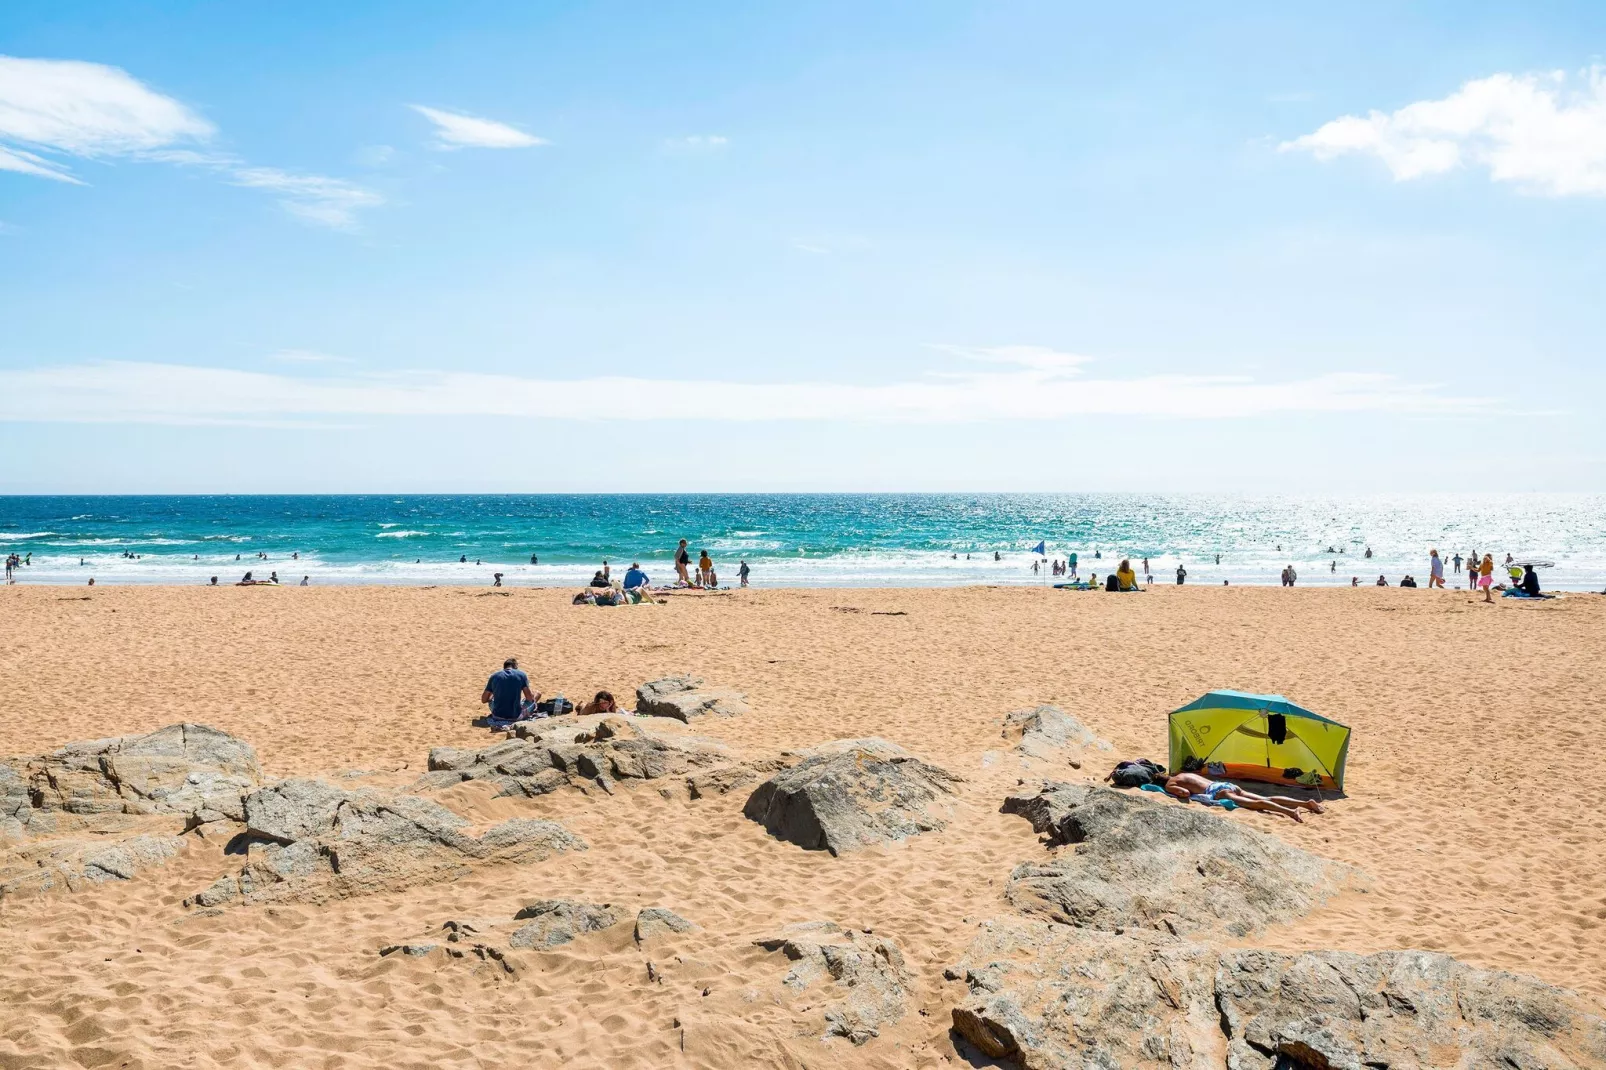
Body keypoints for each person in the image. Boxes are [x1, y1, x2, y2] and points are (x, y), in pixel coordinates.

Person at [1161, 770, 1324, 823]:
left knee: (1257, 803)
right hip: (1227, 785)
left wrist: (1171, 792)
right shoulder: (1182, 773)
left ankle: (1290, 812)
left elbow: (1186, 793)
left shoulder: (1171, 783)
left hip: (1219, 792)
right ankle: (1306, 803)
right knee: (1266, 798)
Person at [481, 657, 537, 724]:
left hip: (497, 716)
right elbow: (529, 698)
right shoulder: (521, 675)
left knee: (491, 700)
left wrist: (493, 694)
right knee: (537, 694)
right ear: (515, 667)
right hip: (515, 716)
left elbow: (484, 700)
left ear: (504, 667)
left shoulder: (494, 676)